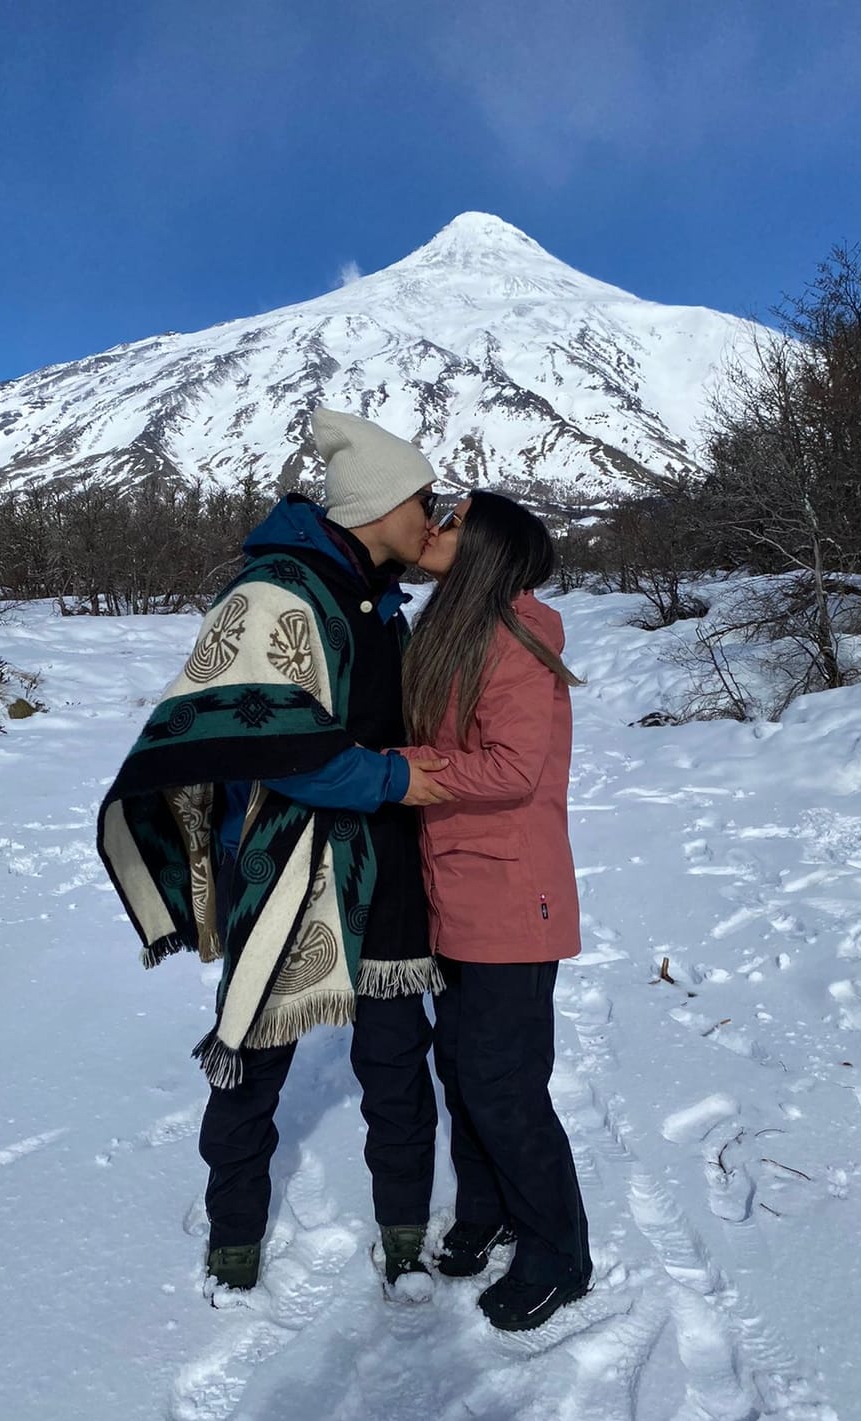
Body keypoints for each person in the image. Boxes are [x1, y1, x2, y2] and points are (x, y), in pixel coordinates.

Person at [97, 407, 455, 1296]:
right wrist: (395, 782)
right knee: (252, 1054)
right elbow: (278, 746)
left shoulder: (378, 602)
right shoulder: (276, 593)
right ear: (377, 503)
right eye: (424, 499)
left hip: (386, 863)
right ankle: (234, 1235)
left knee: (395, 1060)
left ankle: (406, 1232)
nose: (434, 516)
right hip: (289, 861)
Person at [397, 490, 593, 1332]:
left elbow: (512, 769)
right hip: (455, 884)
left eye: (451, 520)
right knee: (464, 1066)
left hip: (512, 893)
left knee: (505, 1083)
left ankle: (562, 1251)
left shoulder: (513, 637)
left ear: (487, 548)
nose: (433, 526)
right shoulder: (454, 625)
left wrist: (400, 769)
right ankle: (489, 1208)